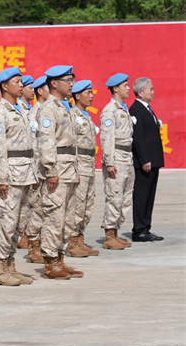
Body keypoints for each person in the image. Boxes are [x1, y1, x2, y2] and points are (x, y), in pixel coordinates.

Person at [0, 67, 37, 286]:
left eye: (21, 81)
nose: (21, 85)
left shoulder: (21, 110)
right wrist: (2, 178)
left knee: (19, 222)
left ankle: (10, 264)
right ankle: (0, 268)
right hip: (11, 175)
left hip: (25, 173)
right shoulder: (0, 113)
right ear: (5, 87)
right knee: (6, 221)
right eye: (17, 82)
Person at [37, 65, 83, 279]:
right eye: (68, 80)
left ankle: (60, 259)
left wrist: (76, 169)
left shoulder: (65, 107)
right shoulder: (48, 108)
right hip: (57, 170)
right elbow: (46, 142)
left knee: (67, 219)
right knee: (54, 216)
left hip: (69, 169)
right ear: (54, 83)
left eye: (72, 79)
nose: (72, 84)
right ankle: (50, 263)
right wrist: (51, 170)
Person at [99, 73, 135, 250]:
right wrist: (109, 161)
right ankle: (109, 235)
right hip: (117, 157)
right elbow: (107, 137)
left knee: (126, 197)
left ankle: (115, 231)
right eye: (125, 85)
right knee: (114, 196)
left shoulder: (123, 109)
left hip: (127, 156)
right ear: (115, 88)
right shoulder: (110, 110)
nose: (128, 88)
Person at [129, 77, 165, 242]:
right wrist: (144, 159)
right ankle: (139, 230)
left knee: (149, 196)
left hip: (152, 160)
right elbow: (138, 138)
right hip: (145, 162)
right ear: (141, 92)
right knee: (142, 196)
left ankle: (145, 228)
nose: (153, 92)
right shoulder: (136, 109)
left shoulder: (146, 108)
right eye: (150, 89)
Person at [68, 80, 100, 257]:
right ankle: (72, 243)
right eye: (88, 93)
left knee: (87, 205)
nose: (91, 96)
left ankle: (80, 239)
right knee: (77, 205)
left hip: (89, 164)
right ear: (78, 96)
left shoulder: (86, 116)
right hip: (79, 164)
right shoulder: (73, 115)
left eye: (92, 92)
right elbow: (71, 144)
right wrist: (74, 169)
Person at [23, 76, 49, 264]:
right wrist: (36, 172)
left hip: (45, 169)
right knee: (36, 209)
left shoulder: (47, 110)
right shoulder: (35, 113)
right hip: (38, 169)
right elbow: (34, 145)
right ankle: (33, 248)